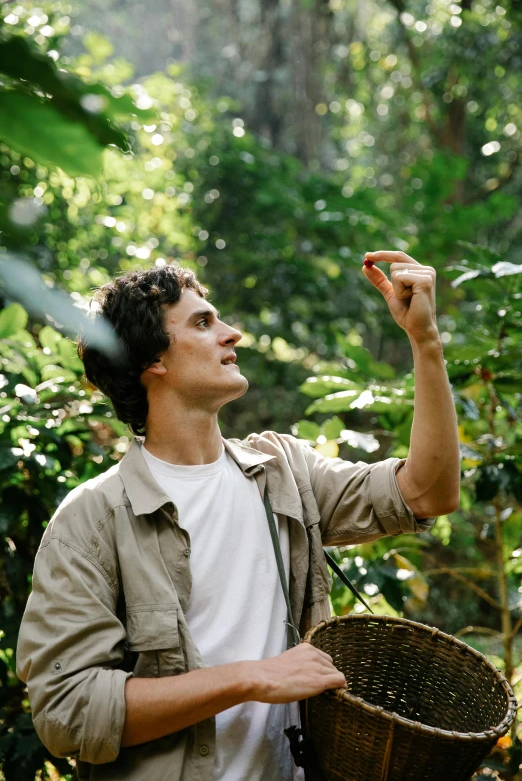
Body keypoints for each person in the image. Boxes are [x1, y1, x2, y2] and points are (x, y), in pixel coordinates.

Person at [16, 251, 460, 781]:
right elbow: (68, 714)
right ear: (152, 360)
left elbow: (427, 493)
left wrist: (426, 344)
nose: (233, 334)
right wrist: (250, 678)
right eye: (204, 322)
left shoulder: (285, 472)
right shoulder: (91, 520)